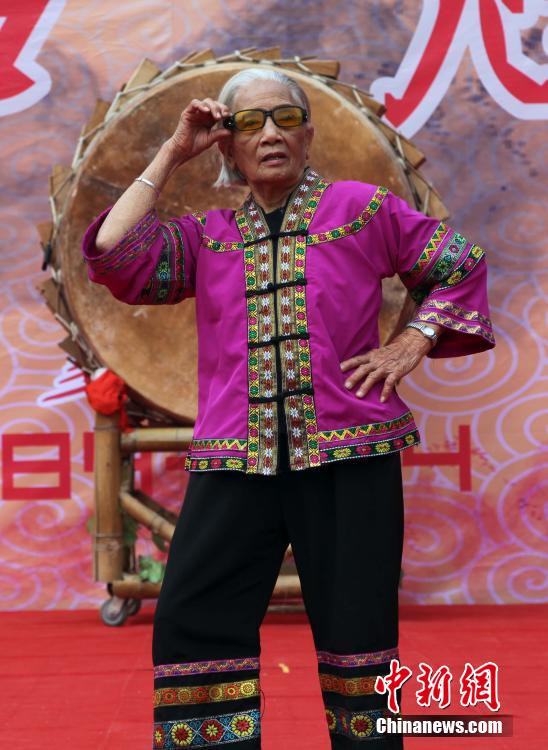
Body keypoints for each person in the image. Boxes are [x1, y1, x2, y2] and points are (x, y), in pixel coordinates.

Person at [82, 67, 494, 748]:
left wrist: (412, 341)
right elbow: (111, 251)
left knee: (359, 638)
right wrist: (173, 151)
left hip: (350, 455)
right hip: (235, 457)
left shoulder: (364, 209)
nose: (270, 133)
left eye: (286, 118)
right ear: (227, 144)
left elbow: (460, 263)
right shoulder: (209, 236)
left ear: (308, 133)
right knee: (192, 622)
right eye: (249, 122)